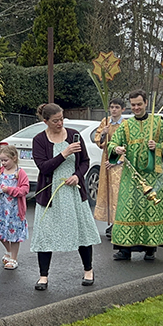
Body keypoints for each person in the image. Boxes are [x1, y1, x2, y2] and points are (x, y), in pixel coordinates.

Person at [31, 103, 101, 289]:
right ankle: (43, 276)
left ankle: (88, 270)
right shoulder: (39, 140)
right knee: (45, 234)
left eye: (62, 119)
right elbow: (44, 167)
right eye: (55, 121)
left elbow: (85, 161)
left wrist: (77, 176)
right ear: (45, 121)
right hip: (50, 195)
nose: (60, 123)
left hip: (73, 192)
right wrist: (64, 153)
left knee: (82, 232)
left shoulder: (73, 136)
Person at [107, 90, 163, 260]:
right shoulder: (125, 125)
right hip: (131, 177)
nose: (136, 107)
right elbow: (113, 143)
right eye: (133, 105)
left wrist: (158, 146)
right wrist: (116, 149)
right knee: (128, 211)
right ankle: (124, 250)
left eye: (139, 104)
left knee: (150, 211)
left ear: (146, 103)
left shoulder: (159, 123)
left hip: (153, 176)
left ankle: (150, 249)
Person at [0, 145, 30, 270]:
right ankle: (9, 251)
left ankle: (14, 257)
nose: (3, 163)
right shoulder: (0, 172)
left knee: (14, 235)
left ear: (14, 158)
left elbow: (25, 189)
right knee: (0, 233)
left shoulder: (20, 173)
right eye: (1, 160)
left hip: (15, 210)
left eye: (6, 160)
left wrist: (10, 190)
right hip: (2, 209)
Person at [93, 98, 126, 235]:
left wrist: (118, 160)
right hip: (106, 160)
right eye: (112, 107)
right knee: (108, 192)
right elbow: (98, 140)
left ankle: (120, 221)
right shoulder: (105, 122)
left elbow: (127, 145)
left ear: (122, 109)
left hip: (119, 163)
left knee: (117, 191)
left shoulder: (125, 124)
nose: (114, 110)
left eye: (117, 107)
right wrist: (103, 134)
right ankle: (112, 221)